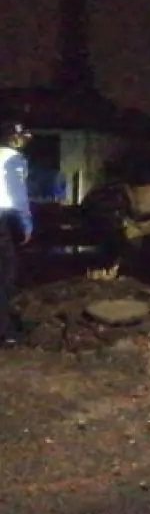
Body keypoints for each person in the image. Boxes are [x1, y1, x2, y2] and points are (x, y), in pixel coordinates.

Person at [0, 121, 33, 346]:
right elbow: (17, 195)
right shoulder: (13, 159)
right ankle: (7, 333)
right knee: (7, 275)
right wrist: (27, 224)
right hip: (3, 218)